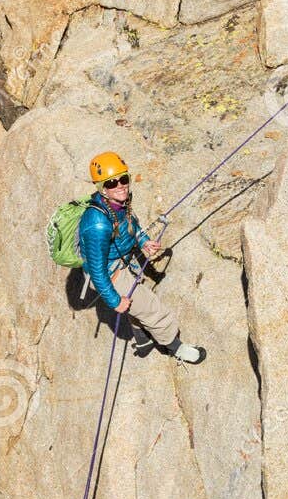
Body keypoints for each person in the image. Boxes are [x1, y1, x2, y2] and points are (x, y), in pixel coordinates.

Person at [77, 152, 206, 364]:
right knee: (152, 309)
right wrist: (114, 300)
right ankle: (176, 348)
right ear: (102, 188)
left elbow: (131, 225)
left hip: (122, 262)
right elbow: (97, 270)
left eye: (124, 179)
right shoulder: (97, 224)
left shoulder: (119, 203)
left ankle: (143, 340)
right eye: (112, 183)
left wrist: (143, 241)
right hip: (110, 274)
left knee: (136, 304)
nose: (121, 186)